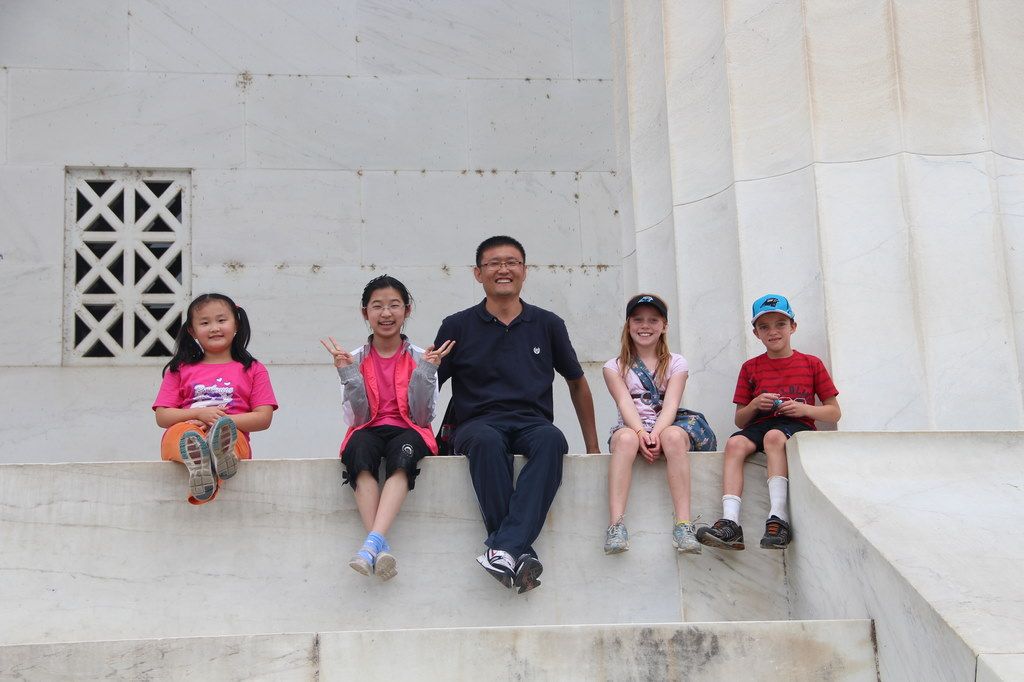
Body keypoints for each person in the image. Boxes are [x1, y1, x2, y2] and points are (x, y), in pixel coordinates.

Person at [433, 235, 600, 595]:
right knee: (486, 441)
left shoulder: (548, 324)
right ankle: (513, 548)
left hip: (531, 422)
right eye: (494, 263)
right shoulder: (457, 326)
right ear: (478, 273)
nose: (503, 269)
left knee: (552, 439)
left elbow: (577, 383)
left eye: (512, 262)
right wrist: (422, 374)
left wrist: (593, 447)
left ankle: (504, 549)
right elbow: (429, 387)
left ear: (524, 270)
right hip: (476, 423)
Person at [321, 275, 453, 581]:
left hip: (410, 429)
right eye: (377, 306)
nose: (386, 313)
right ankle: (378, 547)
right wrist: (348, 374)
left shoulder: (422, 357)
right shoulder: (352, 358)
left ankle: (370, 545)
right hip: (368, 428)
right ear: (364, 312)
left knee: (402, 459)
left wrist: (426, 372)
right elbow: (357, 419)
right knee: (358, 454)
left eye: (394, 305)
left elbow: (422, 417)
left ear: (407, 310)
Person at [697, 294, 840, 551]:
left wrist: (803, 409)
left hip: (797, 424)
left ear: (793, 327)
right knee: (735, 443)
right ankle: (730, 522)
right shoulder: (751, 368)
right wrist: (754, 405)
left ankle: (778, 518)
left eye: (780, 324)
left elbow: (834, 413)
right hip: (761, 425)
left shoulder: (811, 363)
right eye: (764, 327)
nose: (773, 331)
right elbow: (740, 420)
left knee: (773, 437)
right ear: (756, 333)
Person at [602, 294, 717, 556]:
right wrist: (641, 432)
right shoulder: (614, 366)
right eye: (638, 320)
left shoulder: (677, 362)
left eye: (653, 320)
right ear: (628, 325)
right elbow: (624, 402)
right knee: (626, 439)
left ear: (664, 326)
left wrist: (655, 433)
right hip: (632, 426)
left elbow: (672, 403)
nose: (645, 326)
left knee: (673, 437)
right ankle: (616, 525)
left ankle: (684, 524)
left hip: (667, 424)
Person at [153, 293, 277, 504]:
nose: (214, 328)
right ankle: (202, 456)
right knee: (180, 435)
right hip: (187, 429)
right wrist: (198, 414)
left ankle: (218, 454)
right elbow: (162, 416)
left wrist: (220, 421)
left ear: (236, 324)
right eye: (205, 323)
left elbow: (263, 418)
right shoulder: (179, 369)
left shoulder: (253, 369)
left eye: (221, 320)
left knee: (226, 436)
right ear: (192, 331)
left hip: (232, 433)